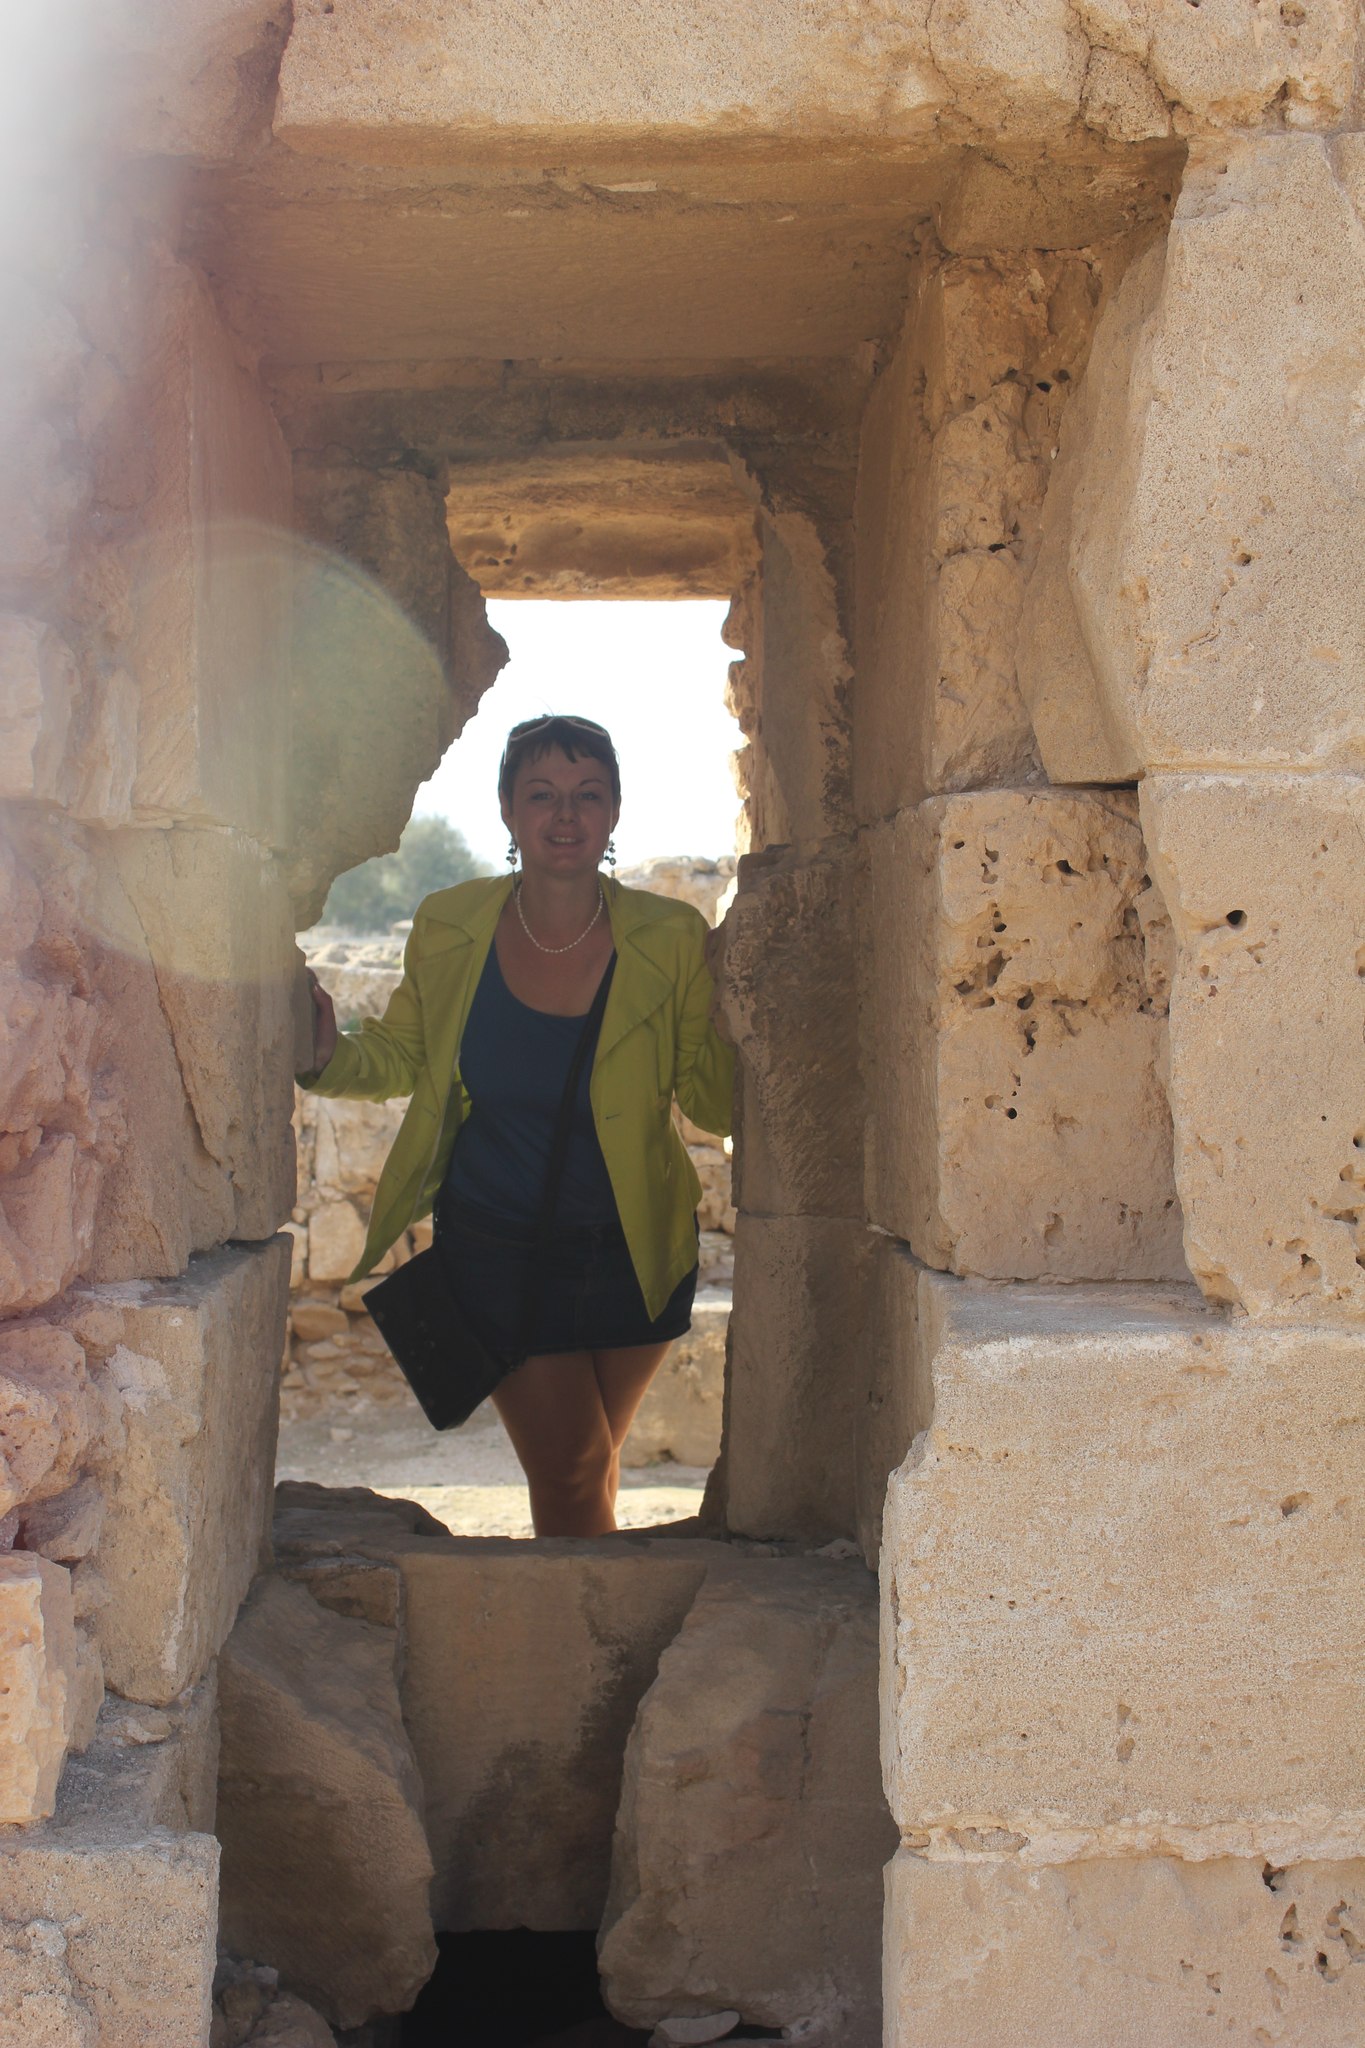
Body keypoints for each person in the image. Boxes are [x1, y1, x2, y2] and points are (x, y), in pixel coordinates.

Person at [299, 713, 735, 1538]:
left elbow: (709, 1100)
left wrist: (744, 1013)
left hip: (636, 1252)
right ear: (506, 808)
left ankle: (591, 1612)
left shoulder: (670, 937)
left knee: (593, 1459)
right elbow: (402, 1054)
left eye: (586, 795)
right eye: (541, 794)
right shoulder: (450, 924)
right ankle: (594, 1621)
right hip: (498, 1247)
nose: (564, 815)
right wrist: (327, 1057)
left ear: (613, 811)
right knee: (569, 1465)